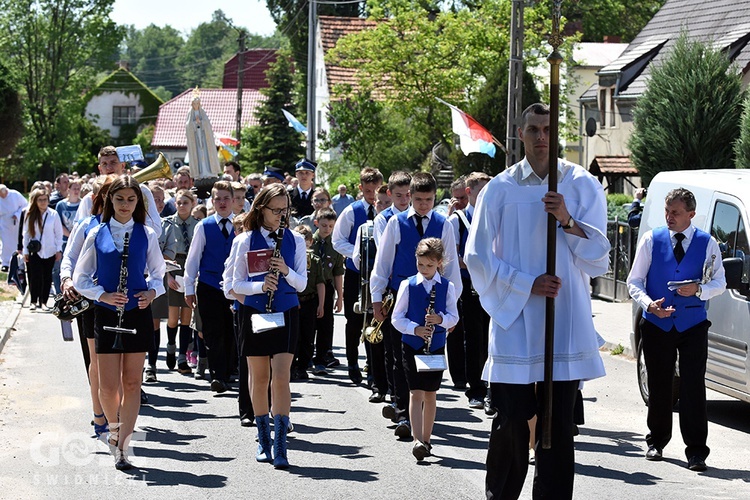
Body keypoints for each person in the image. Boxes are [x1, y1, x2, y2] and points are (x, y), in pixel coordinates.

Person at [464, 103, 609, 499]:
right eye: (533, 129)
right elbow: (476, 257)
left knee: (558, 426)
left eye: (547, 129)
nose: (541, 137)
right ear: (520, 133)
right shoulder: (500, 189)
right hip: (515, 322)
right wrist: (527, 284)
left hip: (563, 322)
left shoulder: (580, 184)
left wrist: (567, 219)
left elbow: (598, 258)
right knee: (510, 421)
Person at [626, 187, 726, 472]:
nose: (669, 217)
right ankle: (656, 441)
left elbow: (719, 284)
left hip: (693, 324)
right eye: (667, 211)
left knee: (694, 386)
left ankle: (696, 451)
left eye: (676, 212)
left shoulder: (708, 244)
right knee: (659, 384)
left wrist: (699, 290)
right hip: (657, 322)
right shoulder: (651, 239)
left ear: (691, 215)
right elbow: (635, 281)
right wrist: (649, 304)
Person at [73, 175, 166, 471]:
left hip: (137, 312)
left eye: (131, 199)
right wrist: (102, 294)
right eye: (119, 199)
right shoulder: (95, 233)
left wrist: (151, 292)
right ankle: (112, 432)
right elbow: (80, 278)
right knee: (108, 386)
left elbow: (158, 275)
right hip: (106, 312)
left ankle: (123, 445)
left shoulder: (147, 234)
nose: (125, 205)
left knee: (132, 382)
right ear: (109, 200)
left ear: (138, 202)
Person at [370, 172, 462, 439]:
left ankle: (422, 410)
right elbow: (383, 263)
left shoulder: (443, 223)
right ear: (410, 196)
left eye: (429, 200)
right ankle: (402, 412)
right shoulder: (396, 223)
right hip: (403, 296)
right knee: (400, 357)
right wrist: (377, 299)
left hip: (433, 299)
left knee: (429, 356)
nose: (424, 205)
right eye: (419, 199)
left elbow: (452, 267)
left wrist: (451, 311)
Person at [230, 183, 307, 469]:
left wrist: (286, 270)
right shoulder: (244, 240)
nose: (281, 216)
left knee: (282, 376)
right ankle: (263, 439)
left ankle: (281, 443)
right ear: (261, 208)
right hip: (255, 312)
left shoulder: (296, 240)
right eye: (276, 210)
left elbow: (302, 283)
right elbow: (232, 285)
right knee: (259, 377)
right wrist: (260, 285)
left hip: (286, 311)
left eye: (285, 210)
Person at [391, 237, 459, 461]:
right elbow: (396, 318)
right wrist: (415, 329)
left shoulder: (448, 286)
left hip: (436, 346)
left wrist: (439, 319)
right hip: (412, 344)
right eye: (421, 265)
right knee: (415, 392)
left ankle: (427, 440)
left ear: (439, 262)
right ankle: (417, 440)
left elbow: (453, 317)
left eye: (430, 265)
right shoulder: (407, 285)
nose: (425, 269)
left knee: (430, 394)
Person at [60, 175, 117, 438]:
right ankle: (99, 415)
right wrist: (67, 279)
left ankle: (117, 415)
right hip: (92, 300)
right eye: (108, 196)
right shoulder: (86, 224)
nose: (116, 201)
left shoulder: (134, 225)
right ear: (97, 200)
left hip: (123, 300)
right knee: (96, 360)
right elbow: (69, 258)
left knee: (122, 363)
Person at [332, 167, 384, 384]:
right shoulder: (352, 211)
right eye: (369, 191)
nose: (373, 196)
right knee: (353, 320)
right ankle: (352, 362)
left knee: (376, 319)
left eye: (377, 191)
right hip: (356, 273)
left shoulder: (386, 211)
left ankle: (374, 367)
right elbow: (337, 241)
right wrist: (358, 253)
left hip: (379, 275)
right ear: (361, 189)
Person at [184, 181, 236, 393]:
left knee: (232, 331)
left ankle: (231, 370)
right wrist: (189, 288)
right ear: (211, 201)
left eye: (225, 198)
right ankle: (218, 376)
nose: (222, 202)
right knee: (213, 333)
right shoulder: (203, 226)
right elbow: (193, 258)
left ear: (233, 200)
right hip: (209, 286)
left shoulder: (242, 224)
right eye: (217, 199)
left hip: (235, 288)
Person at [448, 171, 491, 407]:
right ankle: (476, 389)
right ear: (469, 192)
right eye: (481, 190)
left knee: (493, 337)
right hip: (468, 285)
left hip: (492, 284)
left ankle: (494, 388)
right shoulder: (458, 220)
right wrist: (472, 262)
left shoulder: (495, 218)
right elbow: (452, 255)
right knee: (473, 338)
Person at [75, 146, 162, 238]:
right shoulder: (90, 198)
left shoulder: (142, 190)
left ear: (123, 165)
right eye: (104, 164)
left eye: (113, 162)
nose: (109, 167)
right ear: (100, 169)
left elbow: (156, 229)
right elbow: (80, 231)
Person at [145, 184, 177, 381]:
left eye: (159, 199)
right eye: (152, 199)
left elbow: (171, 250)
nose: (156, 203)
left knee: (154, 323)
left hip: (157, 276)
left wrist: (159, 260)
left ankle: (152, 364)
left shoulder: (166, 225)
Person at [310, 208, 345, 375]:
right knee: (309, 324)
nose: (327, 229)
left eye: (331, 226)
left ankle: (323, 356)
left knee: (326, 324)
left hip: (328, 287)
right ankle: (306, 356)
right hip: (309, 288)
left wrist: (340, 296)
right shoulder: (309, 242)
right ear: (316, 223)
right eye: (324, 225)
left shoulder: (335, 245)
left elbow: (338, 272)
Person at [290, 225, 325, 381]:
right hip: (293, 301)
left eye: (304, 240)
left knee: (307, 335)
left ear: (310, 242)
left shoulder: (315, 260)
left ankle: (303, 366)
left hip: (309, 300)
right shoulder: (290, 258)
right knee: (293, 336)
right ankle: (290, 367)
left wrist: (321, 304)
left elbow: (320, 283)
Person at [22, 189, 63, 311]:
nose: (43, 202)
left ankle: (43, 302)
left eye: (45, 199)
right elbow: (26, 234)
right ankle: (33, 301)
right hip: (35, 251)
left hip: (50, 250)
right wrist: (25, 251)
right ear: (35, 201)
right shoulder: (30, 214)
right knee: (35, 276)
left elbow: (58, 233)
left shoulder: (53, 214)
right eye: (40, 200)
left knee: (46, 277)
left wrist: (58, 249)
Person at [0, 184, 28, 271]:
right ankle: (5, 262)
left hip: (16, 222)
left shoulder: (15, 194)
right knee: (6, 242)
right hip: (4, 222)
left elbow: (25, 205)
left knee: (17, 242)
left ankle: (18, 262)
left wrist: (17, 214)